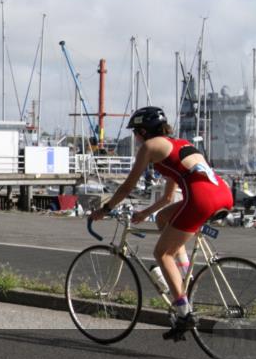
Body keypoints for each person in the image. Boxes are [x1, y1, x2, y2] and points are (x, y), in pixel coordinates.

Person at [89, 106, 234, 341]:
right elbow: (168, 197)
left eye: (136, 132)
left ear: (144, 131)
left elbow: (127, 186)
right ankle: (185, 279)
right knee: (165, 218)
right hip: (223, 193)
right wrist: (146, 212)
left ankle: (184, 312)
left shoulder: (150, 146)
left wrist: (105, 209)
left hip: (201, 199)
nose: (135, 138)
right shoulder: (178, 144)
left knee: (161, 253)